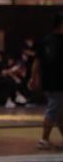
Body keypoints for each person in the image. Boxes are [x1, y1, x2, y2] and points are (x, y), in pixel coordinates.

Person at [30, 12, 63, 149]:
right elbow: (38, 61)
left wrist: (33, 78)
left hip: (49, 82)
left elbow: (37, 61)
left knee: (59, 112)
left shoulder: (45, 40)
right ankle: (44, 139)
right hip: (58, 83)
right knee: (54, 110)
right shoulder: (50, 41)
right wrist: (34, 78)